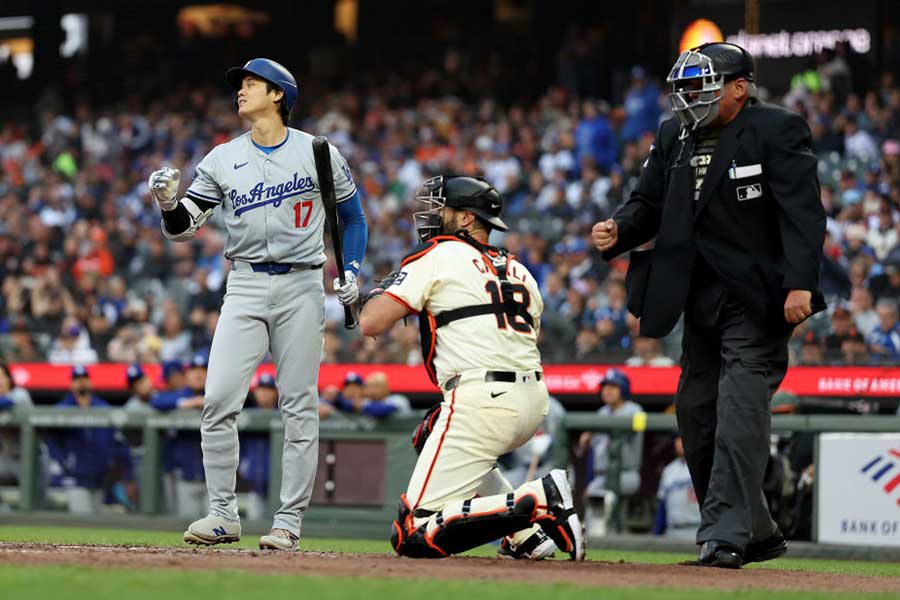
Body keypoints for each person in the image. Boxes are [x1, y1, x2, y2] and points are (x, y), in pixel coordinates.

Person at [591, 43, 826, 568]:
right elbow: (647, 202)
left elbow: (804, 215)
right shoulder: (674, 134)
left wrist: (801, 285)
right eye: (684, 87)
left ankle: (722, 535)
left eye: (701, 85)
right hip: (695, 297)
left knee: (740, 412)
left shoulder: (777, 128)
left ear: (739, 88)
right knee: (696, 416)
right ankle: (758, 530)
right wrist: (619, 230)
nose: (688, 97)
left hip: (759, 299)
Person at [147, 58, 368, 551]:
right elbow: (185, 227)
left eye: (252, 84)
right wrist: (167, 203)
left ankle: (288, 521)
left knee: (298, 405)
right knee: (218, 399)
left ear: (279, 95)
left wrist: (350, 271)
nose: (241, 91)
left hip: (302, 284)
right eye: (241, 85)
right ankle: (223, 514)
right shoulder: (222, 158)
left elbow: (355, 219)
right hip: (244, 283)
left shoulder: (317, 151)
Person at [359, 175, 584, 561]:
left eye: (441, 208)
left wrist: (375, 292)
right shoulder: (521, 271)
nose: (431, 215)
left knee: (413, 534)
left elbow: (371, 323)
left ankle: (537, 499)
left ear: (465, 219)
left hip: (482, 400)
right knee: (430, 432)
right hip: (531, 400)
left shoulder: (439, 253)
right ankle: (526, 536)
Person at [45, 366, 133, 514]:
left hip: (101, 476)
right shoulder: (62, 409)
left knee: (97, 523)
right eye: (77, 380)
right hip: (75, 476)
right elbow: (52, 441)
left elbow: (117, 441)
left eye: (84, 379)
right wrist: (64, 462)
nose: (81, 383)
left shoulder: (103, 408)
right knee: (81, 519)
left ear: (90, 382)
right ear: (71, 384)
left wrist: (116, 466)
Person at [578, 369, 644, 537]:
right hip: (601, 476)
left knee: (599, 496)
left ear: (623, 389)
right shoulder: (602, 413)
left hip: (626, 474)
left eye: (613, 387)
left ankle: (610, 537)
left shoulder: (635, 410)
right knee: (593, 496)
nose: (607, 390)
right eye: (605, 387)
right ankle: (596, 539)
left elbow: (634, 428)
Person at [151, 353, 207, 518]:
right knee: (184, 526)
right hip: (185, 475)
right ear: (186, 374)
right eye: (193, 370)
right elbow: (157, 401)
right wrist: (188, 403)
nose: (198, 374)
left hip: (214, 479)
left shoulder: (217, 395)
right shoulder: (180, 395)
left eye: (203, 370)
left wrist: (208, 401)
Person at [239, 373, 279, 520]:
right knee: (254, 525)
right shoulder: (247, 413)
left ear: (276, 392)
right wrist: (244, 465)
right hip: (254, 486)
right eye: (261, 389)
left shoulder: (285, 412)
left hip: (280, 487)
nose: (264, 394)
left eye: (269, 390)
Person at [653, 434, 701, 540]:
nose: (680, 443)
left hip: (697, 528)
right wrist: (656, 532)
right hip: (673, 530)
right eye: (678, 440)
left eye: (684, 439)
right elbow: (662, 506)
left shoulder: (704, 466)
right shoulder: (669, 470)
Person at [0, 362, 32, 488]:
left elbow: (6, 403)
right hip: (5, 459)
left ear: (9, 378)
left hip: (30, 458)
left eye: (2, 376)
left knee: (34, 500)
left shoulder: (20, 394)